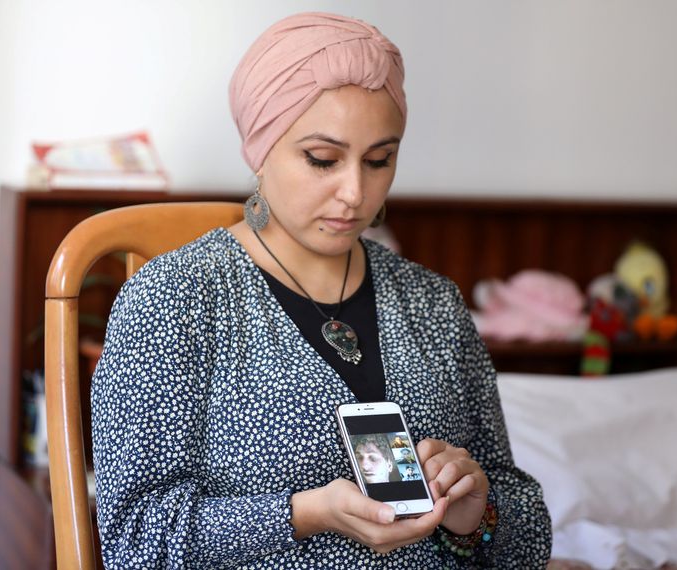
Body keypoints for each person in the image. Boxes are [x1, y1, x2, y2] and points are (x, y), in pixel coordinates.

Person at [91, 11, 552, 569]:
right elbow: (133, 540)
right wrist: (305, 513)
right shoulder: (175, 299)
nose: (356, 193)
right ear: (259, 151)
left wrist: (476, 514)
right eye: (323, 160)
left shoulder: (433, 303)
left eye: (380, 160)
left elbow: (524, 535)